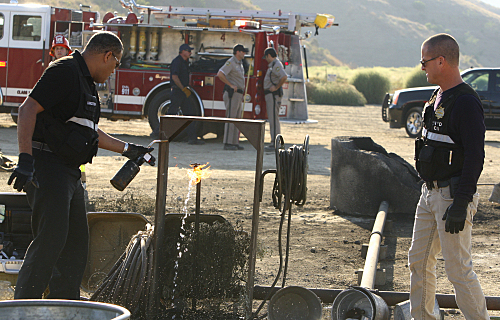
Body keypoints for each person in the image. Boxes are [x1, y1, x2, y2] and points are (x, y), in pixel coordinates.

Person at [7, 31, 153, 300]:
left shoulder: (87, 83)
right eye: (116, 63)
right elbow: (26, 109)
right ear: (107, 55)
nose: (114, 70)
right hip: (48, 169)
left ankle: (64, 304)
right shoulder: (65, 71)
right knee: (50, 241)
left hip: (71, 174)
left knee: (75, 246)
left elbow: (89, 132)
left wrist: (129, 150)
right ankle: (23, 308)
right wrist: (25, 159)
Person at [409, 33, 489, 320]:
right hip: (429, 194)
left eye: (425, 61)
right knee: (418, 261)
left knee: (458, 270)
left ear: (441, 61)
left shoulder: (466, 102)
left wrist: (462, 202)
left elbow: (475, 157)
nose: (422, 67)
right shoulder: (438, 94)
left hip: (451, 196)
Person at [167, 43, 204, 145]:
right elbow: (174, 77)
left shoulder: (184, 62)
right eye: (188, 51)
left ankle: (192, 138)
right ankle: (158, 134)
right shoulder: (177, 62)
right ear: (182, 51)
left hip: (182, 92)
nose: (190, 52)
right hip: (178, 91)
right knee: (171, 114)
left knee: (189, 114)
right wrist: (183, 89)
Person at [217, 44, 248, 151]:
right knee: (231, 117)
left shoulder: (239, 63)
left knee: (237, 118)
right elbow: (220, 74)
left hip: (238, 94)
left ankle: (234, 142)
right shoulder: (231, 62)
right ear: (238, 52)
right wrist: (230, 85)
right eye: (243, 51)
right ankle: (227, 142)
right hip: (232, 94)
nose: (244, 53)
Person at [263, 47, 287, 152]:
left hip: (273, 95)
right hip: (271, 95)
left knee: (273, 119)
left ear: (269, 55)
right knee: (273, 119)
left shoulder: (276, 65)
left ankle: (275, 143)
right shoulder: (273, 65)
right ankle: (275, 141)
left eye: (266, 57)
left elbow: (284, 77)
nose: (266, 59)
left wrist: (276, 87)